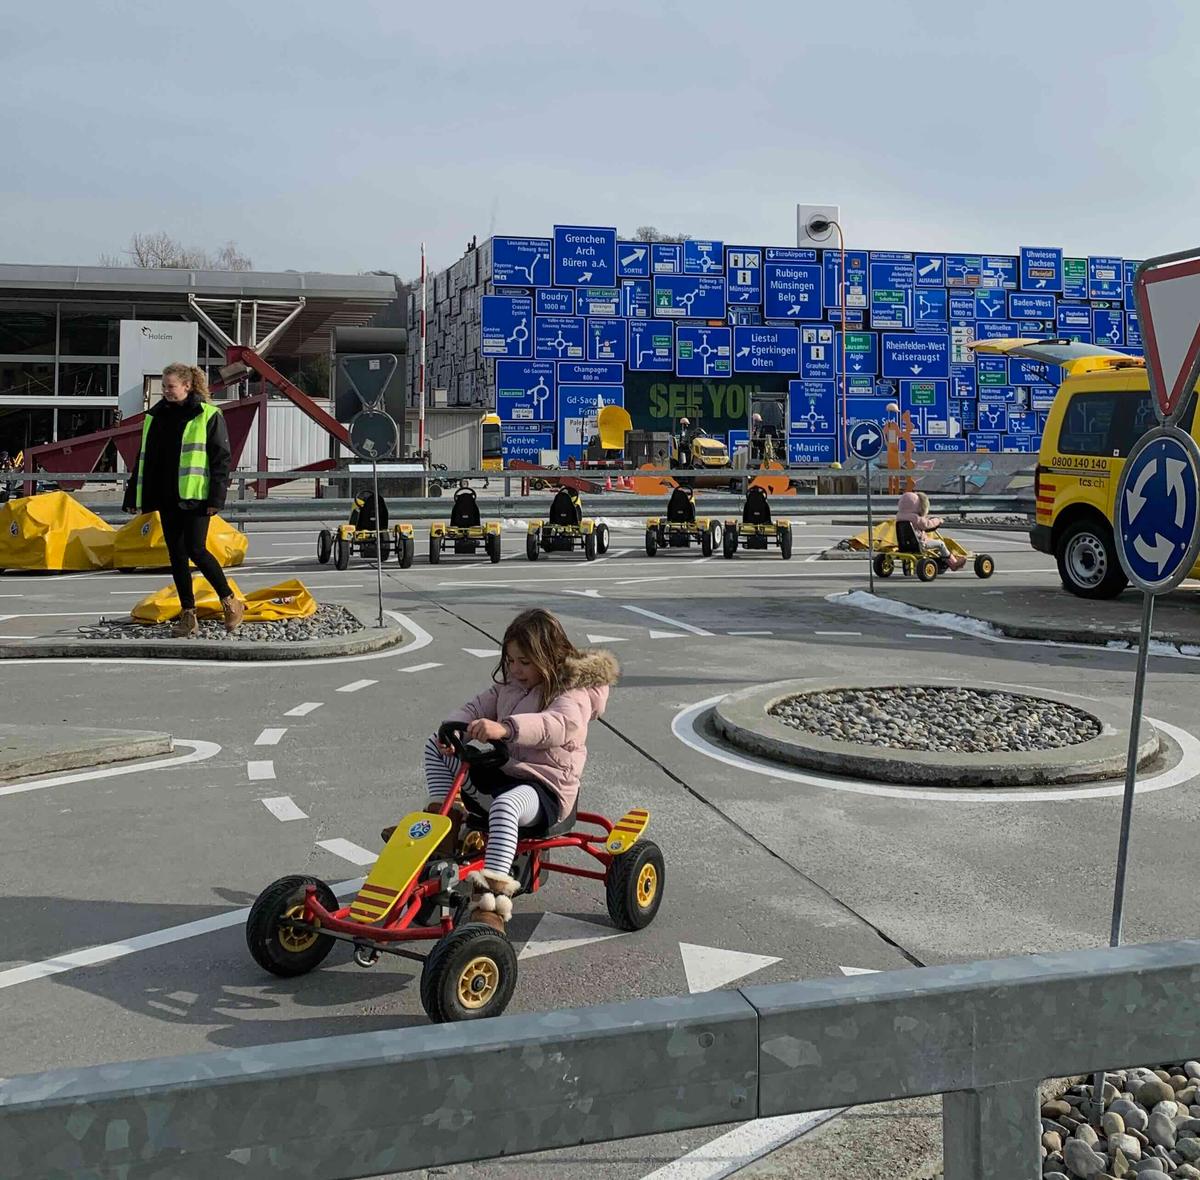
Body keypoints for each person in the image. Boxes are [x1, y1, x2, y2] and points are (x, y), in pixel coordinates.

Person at [404, 608, 619, 929]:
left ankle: (490, 903)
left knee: (505, 806)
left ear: (550, 657)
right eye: (510, 661)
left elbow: (555, 725)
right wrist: (455, 727)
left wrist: (505, 729)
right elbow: (475, 706)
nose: (515, 669)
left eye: (524, 662)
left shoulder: (573, 693)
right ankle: (445, 825)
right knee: (435, 745)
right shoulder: (508, 687)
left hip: (545, 789)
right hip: (505, 772)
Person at [122, 363, 244, 636]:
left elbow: (221, 459)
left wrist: (216, 497)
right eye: (163, 387)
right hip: (166, 496)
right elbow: (143, 460)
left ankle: (230, 601)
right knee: (176, 556)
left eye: (170, 386)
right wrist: (134, 495)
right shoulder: (155, 417)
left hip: (196, 496)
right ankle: (188, 615)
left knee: (196, 550)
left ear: (187, 386)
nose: (165, 391)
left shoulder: (208, 414)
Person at [895, 490, 965, 570]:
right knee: (941, 544)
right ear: (916, 505)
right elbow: (927, 525)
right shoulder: (916, 518)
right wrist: (938, 520)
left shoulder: (899, 516)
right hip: (920, 544)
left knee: (932, 542)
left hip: (904, 544)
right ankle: (953, 563)